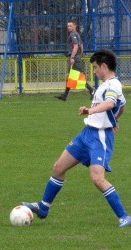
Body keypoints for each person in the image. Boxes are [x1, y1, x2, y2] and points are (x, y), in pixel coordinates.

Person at [22, 49, 130, 227]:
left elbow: (111, 103)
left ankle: (124, 216)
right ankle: (43, 207)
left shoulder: (113, 85)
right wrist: (116, 119)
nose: (94, 71)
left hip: (100, 137)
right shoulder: (105, 84)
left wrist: (91, 110)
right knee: (58, 168)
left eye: (95, 67)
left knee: (97, 178)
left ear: (104, 66)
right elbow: (122, 105)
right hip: (86, 134)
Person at [55, 19, 94, 101]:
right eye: (68, 26)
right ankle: (64, 95)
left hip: (73, 57)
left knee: (78, 76)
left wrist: (73, 57)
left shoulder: (73, 35)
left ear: (75, 26)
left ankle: (92, 90)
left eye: (70, 26)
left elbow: (76, 46)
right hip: (75, 57)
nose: (69, 27)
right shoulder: (77, 34)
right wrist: (80, 55)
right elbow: (81, 45)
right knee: (70, 76)